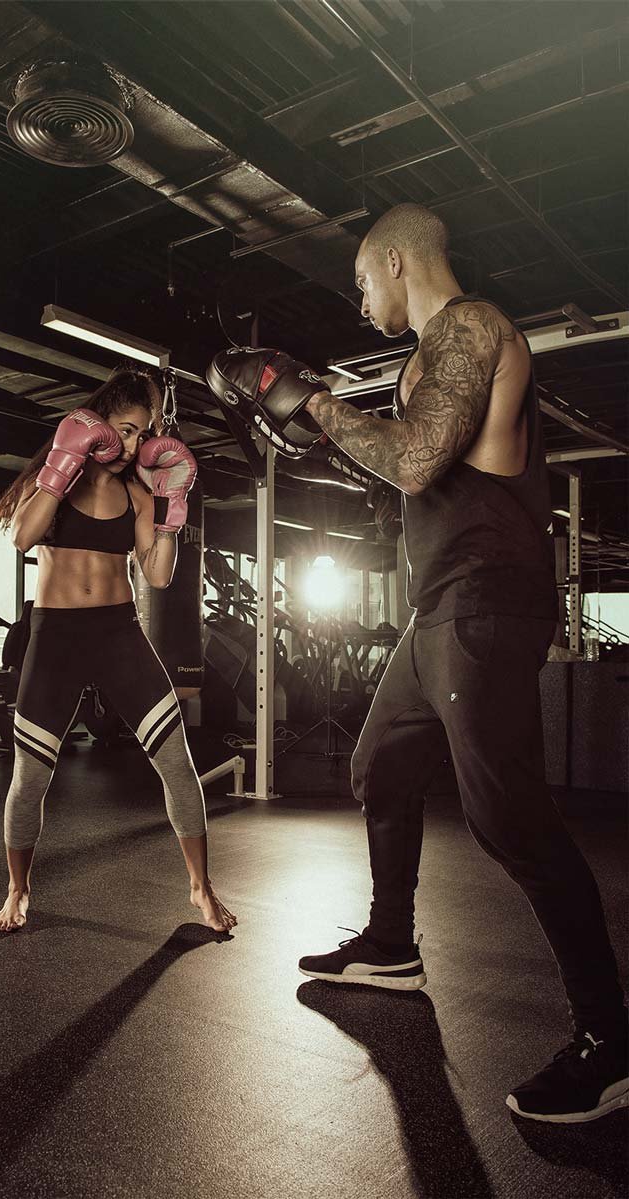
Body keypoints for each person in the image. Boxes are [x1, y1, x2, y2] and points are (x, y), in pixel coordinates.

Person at [206, 203, 627, 1123]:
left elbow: (417, 460)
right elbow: (402, 460)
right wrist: (310, 424)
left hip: (487, 600)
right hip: (437, 607)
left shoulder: (472, 327)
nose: (361, 302)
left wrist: (310, 400)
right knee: (381, 765)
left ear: (397, 260)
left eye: (362, 281)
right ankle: (391, 944)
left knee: (509, 819)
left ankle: (610, 1038)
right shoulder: (418, 364)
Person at [0, 367, 236, 935]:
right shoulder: (56, 478)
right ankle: (18, 888)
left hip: (119, 633)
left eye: (142, 435)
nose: (130, 446)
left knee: (178, 765)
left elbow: (159, 575)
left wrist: (172, 507)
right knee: (30, 778)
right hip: (56, 637)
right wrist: (61, 465)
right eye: (125, 430)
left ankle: (201, 887)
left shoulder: (136, 495)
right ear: (97, 423)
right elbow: (24, 537)